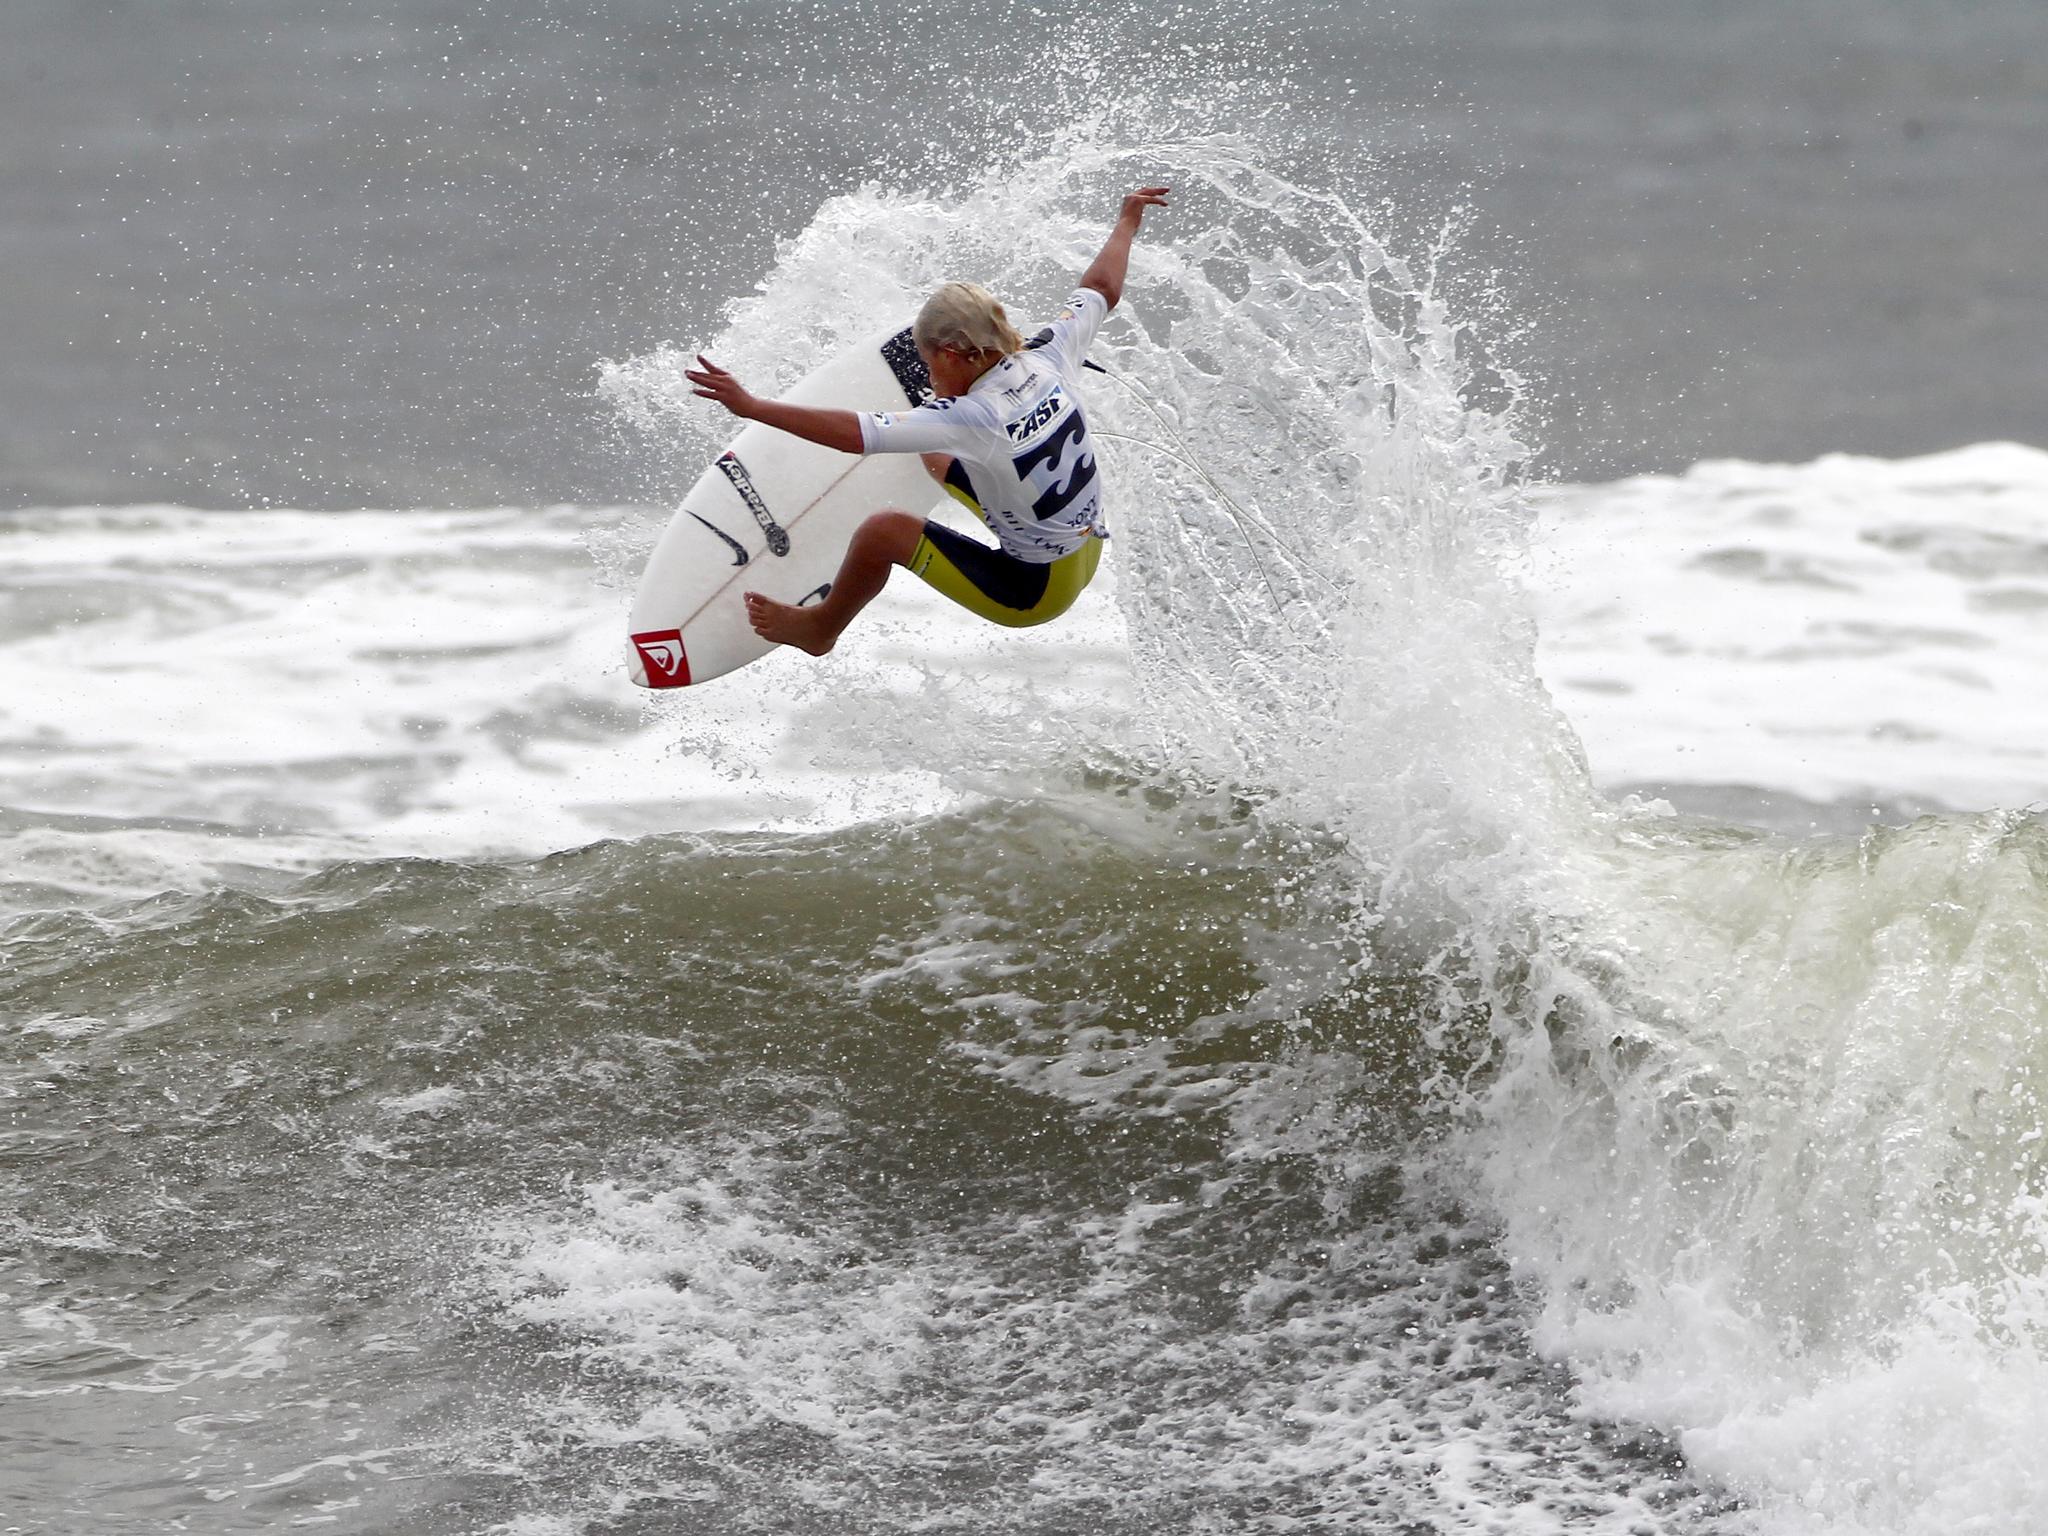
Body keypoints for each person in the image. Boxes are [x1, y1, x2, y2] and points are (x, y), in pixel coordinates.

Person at [683, 186, 1170, 656]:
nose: (932, 374)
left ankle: (820, 629)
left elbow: (858, 435)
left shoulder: (971, 416)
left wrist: (753, 407)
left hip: (1032, 588)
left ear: (954, 353)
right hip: (1085, 548)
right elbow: (1101, 289)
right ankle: (960, 474)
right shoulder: (1050, 353)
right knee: (935, 456)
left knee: (884, 529)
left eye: (930, 362)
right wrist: (1127, 221)